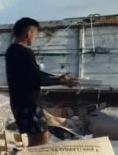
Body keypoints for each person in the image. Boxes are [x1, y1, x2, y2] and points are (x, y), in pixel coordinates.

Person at [5, 17, 78, 147]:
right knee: (40, 140)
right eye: (35, 33)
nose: (35, 37)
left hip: (20, 102)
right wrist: (60, 81)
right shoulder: (24, 52)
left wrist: (58, 78)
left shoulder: (11, 51)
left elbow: (35, 74)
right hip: (29, 104)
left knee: (35, 139)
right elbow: (37, 78)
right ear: (29, 33)